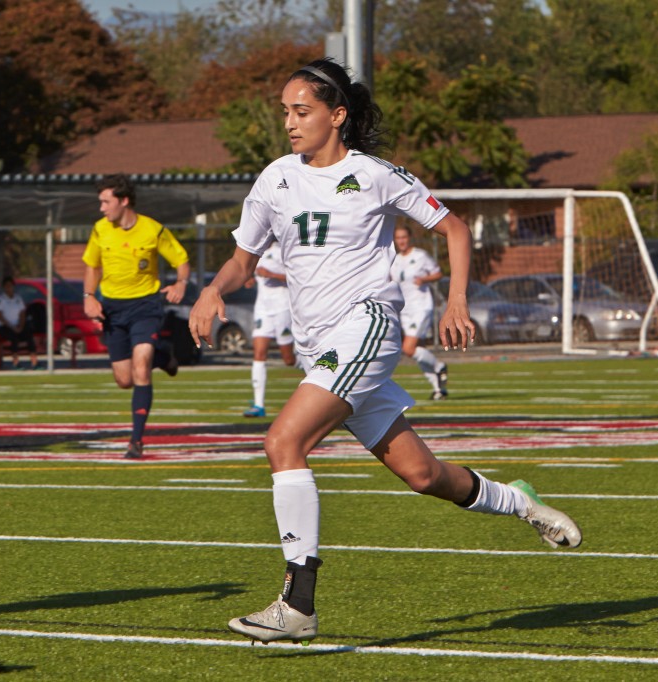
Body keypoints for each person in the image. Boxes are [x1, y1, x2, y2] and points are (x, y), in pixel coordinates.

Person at [188, 59, 583, 645]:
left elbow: (453, 228)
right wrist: (213, 289)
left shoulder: (373, 174)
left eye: (302, 111)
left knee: (283, 441)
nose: (291, 123)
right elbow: (244, 259)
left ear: (336, 115)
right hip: (319, 347)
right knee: (424, 475)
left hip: (367, 326)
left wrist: (454, 301)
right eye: (286, 112)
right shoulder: (274, 178)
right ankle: (519, 502)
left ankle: (297, 603)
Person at [82, 173, 187, 459]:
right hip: (112, 310)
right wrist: (89, 297)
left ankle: (136, 441)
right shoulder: (100, 229)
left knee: (141, 367)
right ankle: (164, 356)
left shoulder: (152, 229)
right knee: (125, 379)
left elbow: (181, 259)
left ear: (124, 200)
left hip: (145, 306)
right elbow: (92, 266)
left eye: (106, 202)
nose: (102, 208)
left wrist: (180, 283)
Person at [391, 225, 449, 400]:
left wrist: (424, 279)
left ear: (409, 238)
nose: (401, 241)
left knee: (408, 348)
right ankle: (439, 388)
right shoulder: (395, 259)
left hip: (421, 306)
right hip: (405, 310)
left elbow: (438, 273)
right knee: (417, 350)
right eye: (398, 237)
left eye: (404, 237)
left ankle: (439, 366)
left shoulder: (420, 256)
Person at [243, 242, 297, 418]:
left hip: (282, 308)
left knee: (288, 359)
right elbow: (250, 272)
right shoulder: (257, 251)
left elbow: (296, 277)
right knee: (259, 353)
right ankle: (259, 405)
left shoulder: (284, 248)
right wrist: (250, 279)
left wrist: (271, 274)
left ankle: (313, 368)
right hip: (263, 309)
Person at [0, 276, 38, 370]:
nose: (9, 288)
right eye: (6, 286)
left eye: (10, 286)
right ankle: (16, 362)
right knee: (14, 337)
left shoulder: (18, 299)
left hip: (17, 326)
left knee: (29, 335)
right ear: (4, 287)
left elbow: (22, 313)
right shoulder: (0, 300)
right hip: (4, 327)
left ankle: (34, 362)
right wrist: (12, 327)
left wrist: (21, 326)